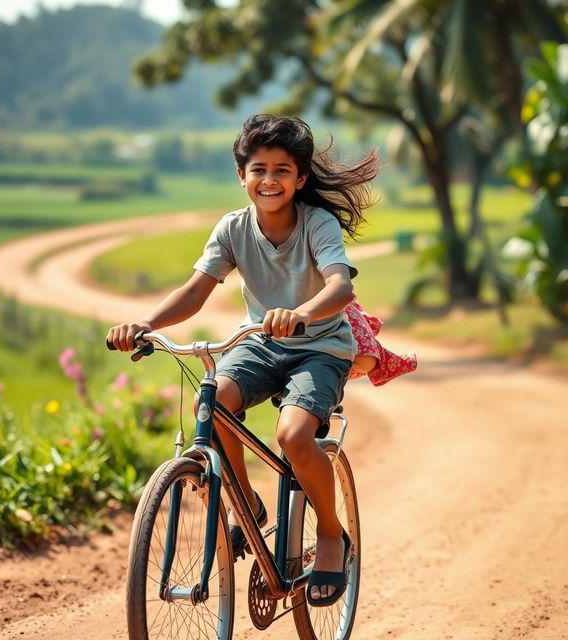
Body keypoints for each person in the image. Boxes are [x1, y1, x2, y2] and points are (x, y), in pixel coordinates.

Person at [107, 114, 415, 607]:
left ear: (301, 179)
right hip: (261, 344)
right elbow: (195, 291)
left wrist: (301, 313)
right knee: (213, 403)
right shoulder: (232, 228)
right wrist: (145, 325)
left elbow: (340, 285)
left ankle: (333, 536)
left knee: (293, 436)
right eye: (258, 169)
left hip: (319, 348)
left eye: (281, 170)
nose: (269, 180)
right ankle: (246, 502)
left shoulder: (317, 223)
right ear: (241, 176)